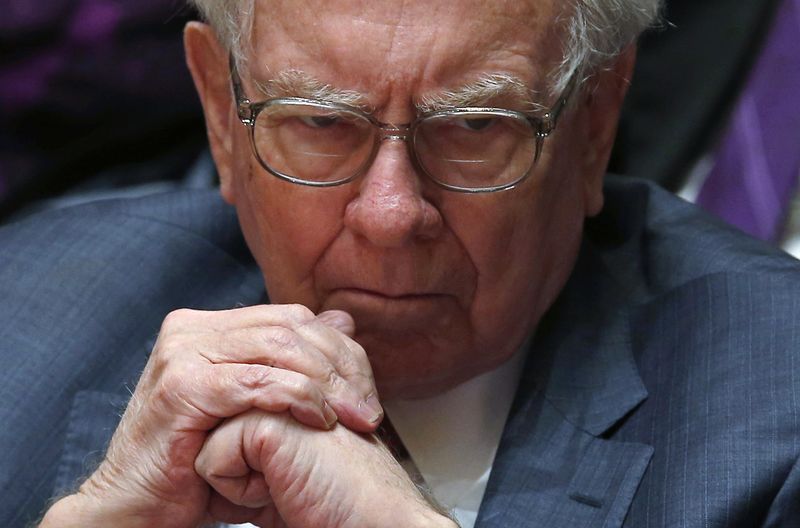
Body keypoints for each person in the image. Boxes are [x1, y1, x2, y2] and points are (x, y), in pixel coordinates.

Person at [0, 0, 798, 526]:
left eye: (475, 128)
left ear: (595, 121)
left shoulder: (770, 427)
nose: (388, 215)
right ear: (219, 109)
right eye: (317, 121)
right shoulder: (32, 306)